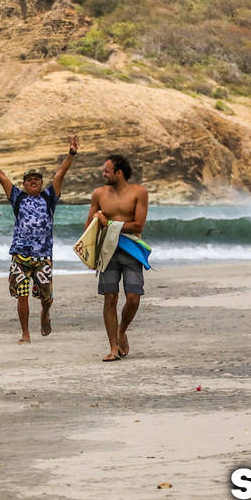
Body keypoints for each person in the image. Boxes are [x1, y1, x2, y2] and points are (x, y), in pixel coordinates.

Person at [0, 136, 79, 343]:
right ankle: (25, 334)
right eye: (29, 179)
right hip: (20, 256)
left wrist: (71, 153)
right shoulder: (18, 197)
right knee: (21, 295)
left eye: (37, 179)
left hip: (43, 257)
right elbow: (1, 176)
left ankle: (45, 312)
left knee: (46, 296)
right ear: (24, 184)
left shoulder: (49, 197)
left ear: (41, 183)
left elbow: (60, 174)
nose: (34, 181)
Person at [86, 153, 149, 362]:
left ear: (119, 172)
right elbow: (89, 228)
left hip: (131, 248)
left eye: (106, 170)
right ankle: (113, 347)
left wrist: (109, 224)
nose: (103, 174)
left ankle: (122, 330)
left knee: (133, 297)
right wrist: (96, 223)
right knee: (110, 297)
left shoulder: (139, 192)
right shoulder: (99, 194)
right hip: (107, 250)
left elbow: (138, 225)